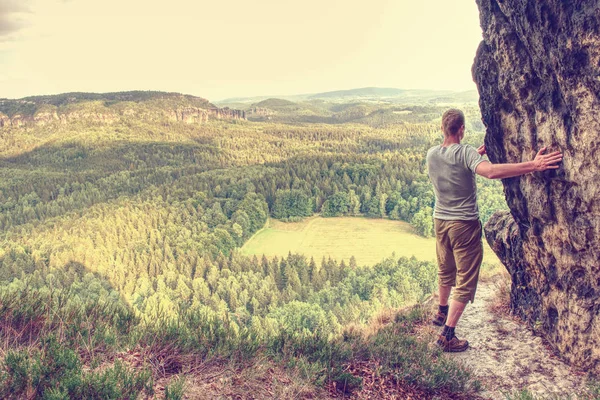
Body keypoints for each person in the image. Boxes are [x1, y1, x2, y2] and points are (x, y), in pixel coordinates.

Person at [426, 108, 562, 352]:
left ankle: (440, 313)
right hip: (463, 225)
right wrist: (534, 164)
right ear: (462, 130)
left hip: (440, 221)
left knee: (446, 269)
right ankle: (447, 335)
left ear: (443, 129)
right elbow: (489, 172)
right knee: (466, 280)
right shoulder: (465, 153)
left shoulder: (432, 154)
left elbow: (455, 165)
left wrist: (474, 157)